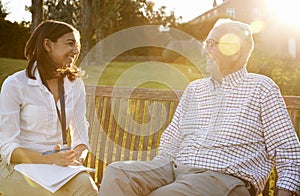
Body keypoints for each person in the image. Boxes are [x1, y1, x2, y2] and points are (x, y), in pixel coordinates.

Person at [99, 19, 300, 196]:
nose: (205, 50)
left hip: (224, 178)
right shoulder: (195, 89)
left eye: (212, 44)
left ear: (235, 51)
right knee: (118, 174)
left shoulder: (261, 88)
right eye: (206, 43)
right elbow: (172, 137)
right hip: (175, 169)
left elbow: (289, 151)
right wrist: (157, 171)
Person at [0, 20, 98, 195]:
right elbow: (8, 148)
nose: (76, 51)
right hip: (18, 168)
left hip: (57, 168)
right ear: (47, 45)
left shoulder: (75, 86)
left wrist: (75, 157)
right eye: (70, 43)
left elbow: (81, 139)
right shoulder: (15, 85)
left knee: (87, 187)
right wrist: (49, 159)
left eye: (78, 45)